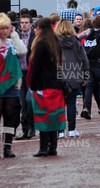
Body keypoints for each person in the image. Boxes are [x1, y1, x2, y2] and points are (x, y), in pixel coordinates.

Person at [0, 13, 27, 159]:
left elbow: (23, 51)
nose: (3, 31)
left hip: (11, 85)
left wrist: (14, 35)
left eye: (6, 28)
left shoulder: (12, 42)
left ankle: (8, 146)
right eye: (1, 28)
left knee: (11, 117)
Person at [29, 17, 66, 157]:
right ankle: (53, 146)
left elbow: (36, 68)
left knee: (43, 117)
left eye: (36, 28)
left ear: (41, 29)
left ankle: (43, 147)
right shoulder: (55, 43)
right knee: (53, 117)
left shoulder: (40, 45)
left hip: (43, 86)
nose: (35, 30)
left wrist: (32, 85)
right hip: (56, 86)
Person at [55, 20, 89, 138]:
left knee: (59, 105)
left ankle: (60, 131)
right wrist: (85, 76)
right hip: (74, 74)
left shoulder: (54, 42)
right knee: (71, 103)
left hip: (59, 75)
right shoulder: (76, 42)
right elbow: (84, 60)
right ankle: (72, 129)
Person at [77, 15, 100, 120]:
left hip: (89, 63)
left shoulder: (88, 31)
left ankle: (86, 108)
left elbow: (78, 37)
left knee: (89, 86)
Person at [16, 14, 36, 140]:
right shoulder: (16, 37)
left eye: (26, 22)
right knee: (22, 103)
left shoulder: (35, 37)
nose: (23, 24)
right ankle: (25, 129)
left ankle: (32, 127)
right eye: (22, 22)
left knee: (29, 100)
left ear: (30, 24)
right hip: (20, 73)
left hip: (32, 73)